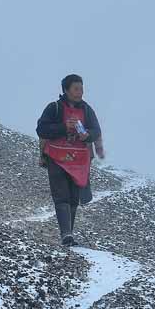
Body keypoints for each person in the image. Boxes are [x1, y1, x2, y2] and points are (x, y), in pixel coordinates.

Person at [36, 74, 105, 246]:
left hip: (79, 161)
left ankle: (69, 235)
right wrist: (63, 127)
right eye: (76, 88)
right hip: (56, 157)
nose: (80, 92)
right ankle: (66, 234)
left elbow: (96, 130)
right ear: (66, 90)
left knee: (74, 198)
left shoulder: (87, 110)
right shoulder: (54, 108)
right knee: (61, 196)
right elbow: (41, 129)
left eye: (82, 88)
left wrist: (87, 134)